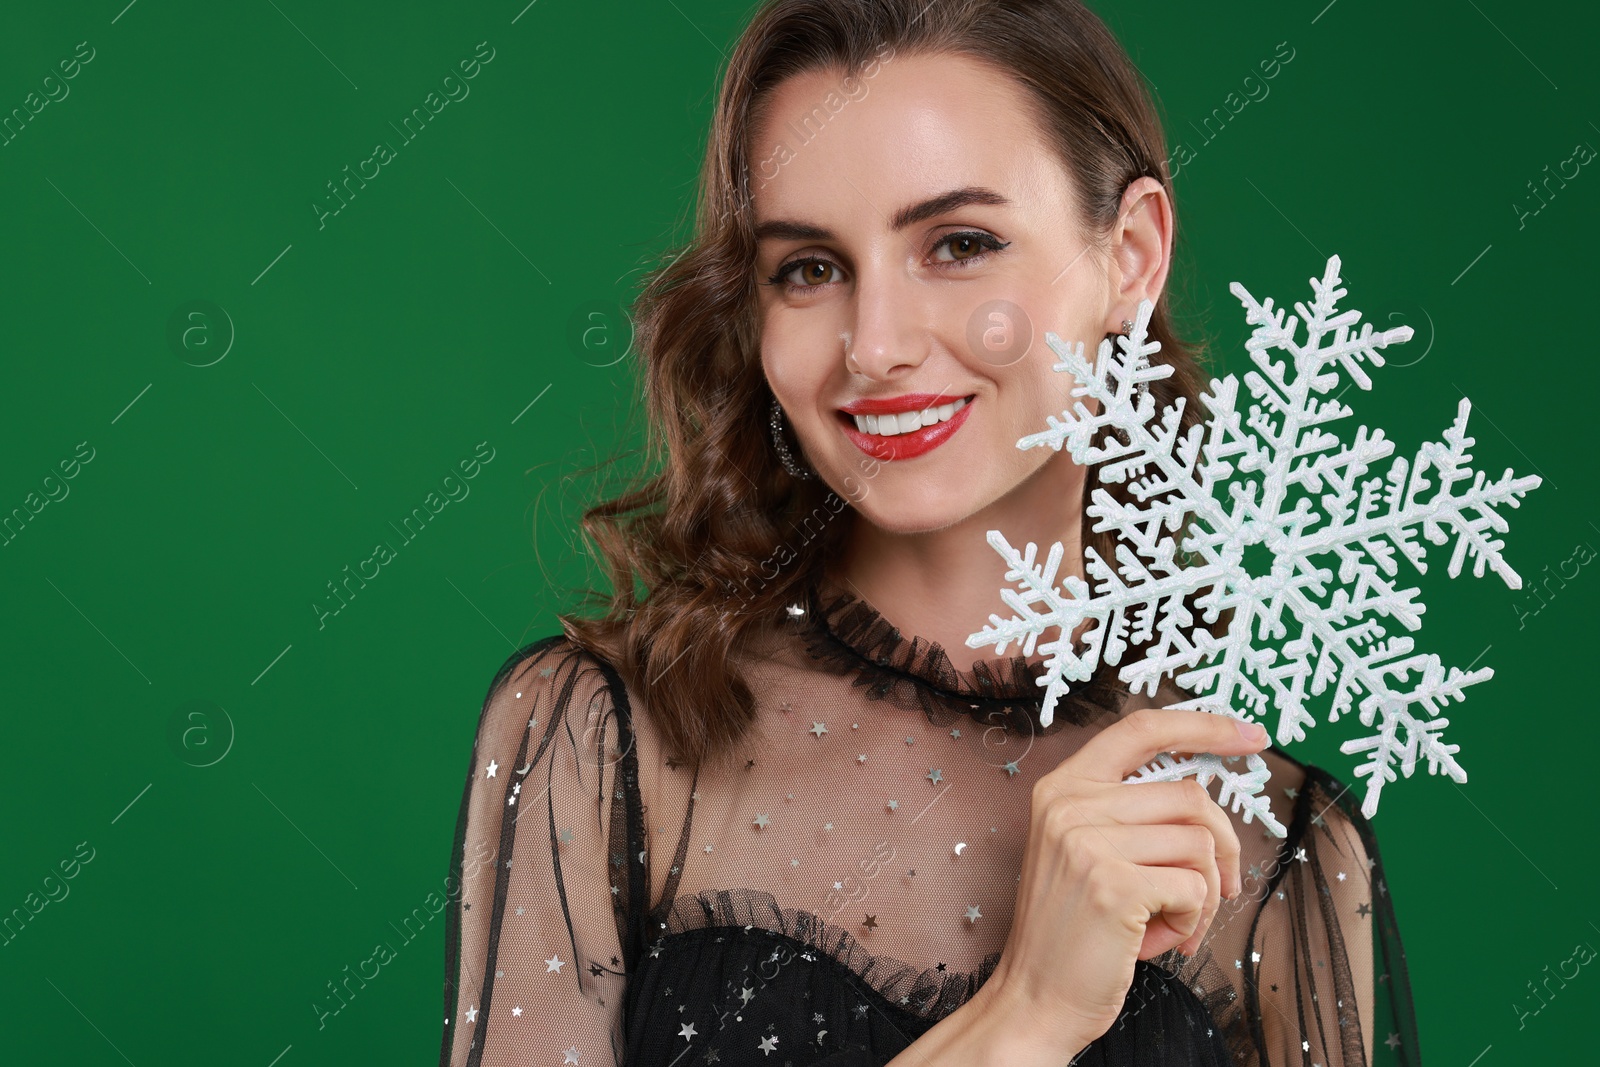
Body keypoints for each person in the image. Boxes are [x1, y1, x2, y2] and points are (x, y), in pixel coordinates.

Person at [437, 1, 1419, 1064]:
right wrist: (1024, 1016)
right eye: (808, 267)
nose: (875, 346)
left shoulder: (1266, 845)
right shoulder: (604, 740)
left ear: (1129, 255)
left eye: (958, 244)